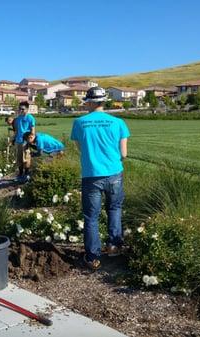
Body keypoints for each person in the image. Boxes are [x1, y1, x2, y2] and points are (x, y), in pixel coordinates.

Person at [70, 87, 130, 271]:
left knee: (91, 217)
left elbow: (81, 149)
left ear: (88, 102)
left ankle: (93, 257)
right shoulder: (118, 122)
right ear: (103, 102)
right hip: (114, 173)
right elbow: (124, 154)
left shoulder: (79, 123)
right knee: (114, 208)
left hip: (91, 175)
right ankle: (114, 246)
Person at [13, 101, 36, 182]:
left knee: (26, 158)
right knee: (19, 159)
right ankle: (20, 174)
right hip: (18, 141)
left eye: (22, 109)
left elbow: (33, 131)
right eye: (19, 109)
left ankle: (26, 174)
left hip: (26, 141)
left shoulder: (30, 118)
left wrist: (30, 141)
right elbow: (16, 131)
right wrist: (13, 139)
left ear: (27, 109)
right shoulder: (18, 118)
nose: (21, 110)